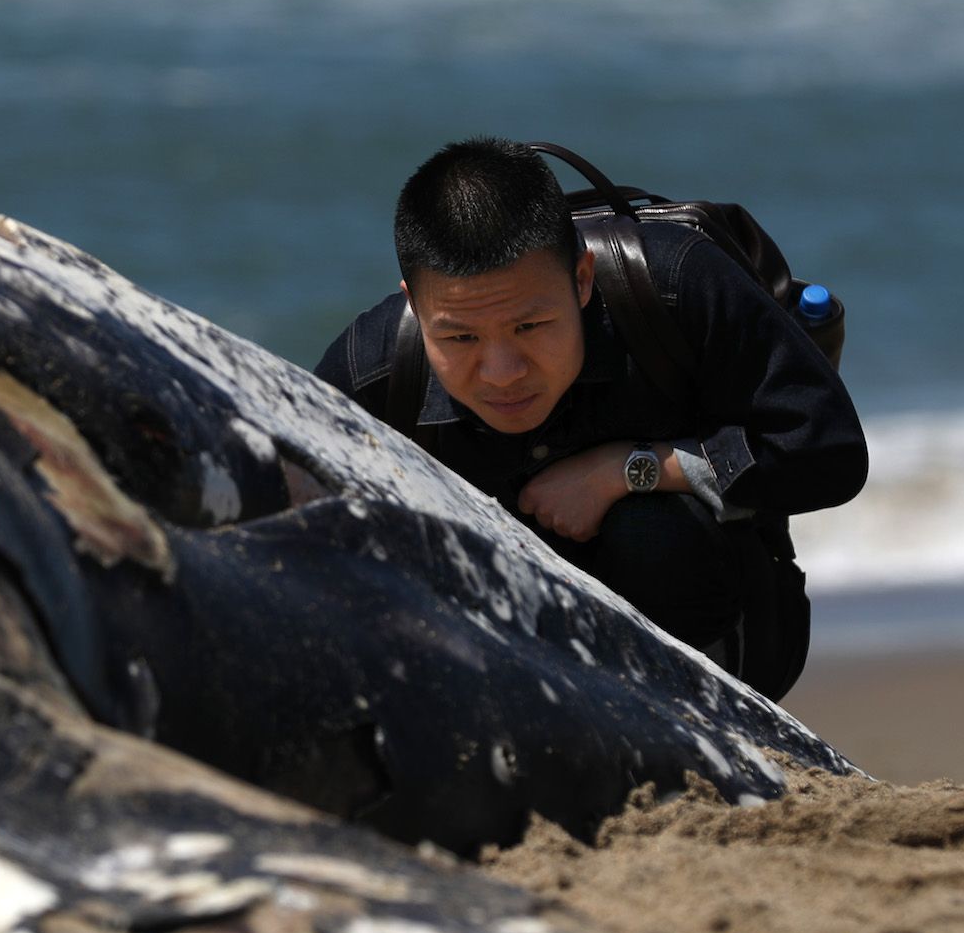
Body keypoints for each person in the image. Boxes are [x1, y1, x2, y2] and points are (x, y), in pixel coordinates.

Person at [313, 137, 868, 697]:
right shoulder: (373, 367)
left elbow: (829, 451)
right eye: (460, 336)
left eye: (529, 327)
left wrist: (631, 470)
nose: (502, 372)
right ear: (414, 302)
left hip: (730, 632)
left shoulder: (674, 284)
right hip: (495, 659)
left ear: (582, 278)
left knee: (649, 531)